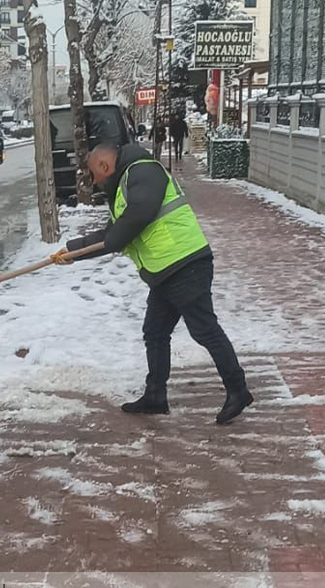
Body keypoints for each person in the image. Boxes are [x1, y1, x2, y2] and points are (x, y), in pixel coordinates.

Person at [54, 143, 252, 424]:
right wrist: (73, 252)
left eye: (93, 175)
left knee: (204, 330)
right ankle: (155, 395)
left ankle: (238, 389)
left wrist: (112, 240)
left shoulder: (144, 170)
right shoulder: (127, 183)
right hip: (164, 271)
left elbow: (139, 216)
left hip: (185, 263)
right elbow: (114, 234)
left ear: (104, 166)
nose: (95, 182)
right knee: (155, 332)